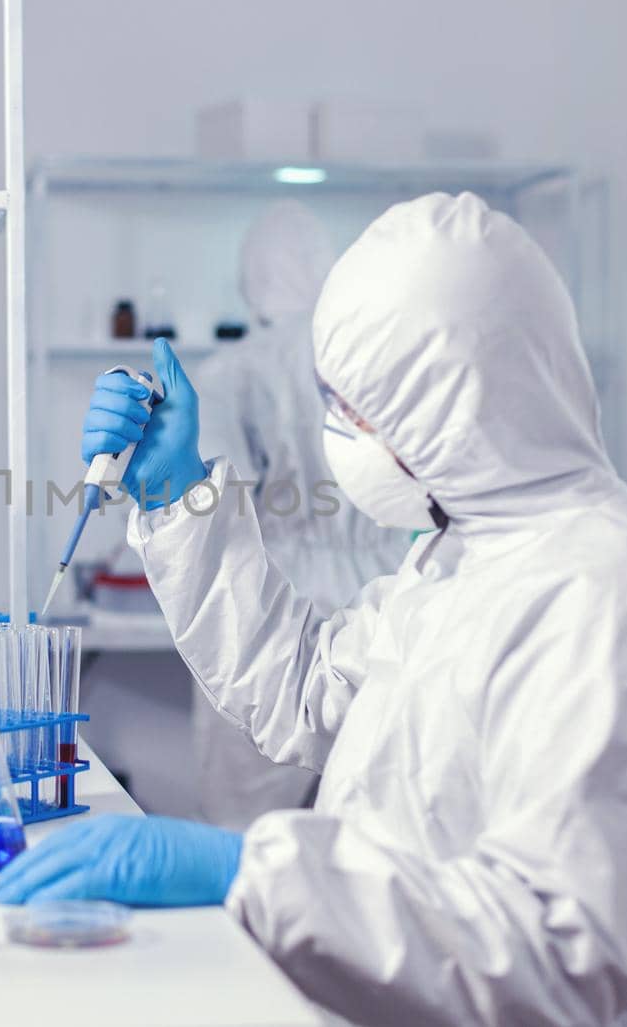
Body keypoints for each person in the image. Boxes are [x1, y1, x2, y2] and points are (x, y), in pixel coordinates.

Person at [0, 193, 627, 1027]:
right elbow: (305, 685)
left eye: (353, 411)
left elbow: (548, 955)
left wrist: (249, 869)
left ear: (455, 412)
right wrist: (176, 494)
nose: (336, 431)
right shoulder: (467, 555)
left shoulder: (617, 613)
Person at [189, 199, 413, 829]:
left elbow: (217, 502)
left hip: (279, 593)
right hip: (384, 587)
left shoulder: (232, 371)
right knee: (375, 821)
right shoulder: (366, 355)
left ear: (249, 279)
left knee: (247, 823)